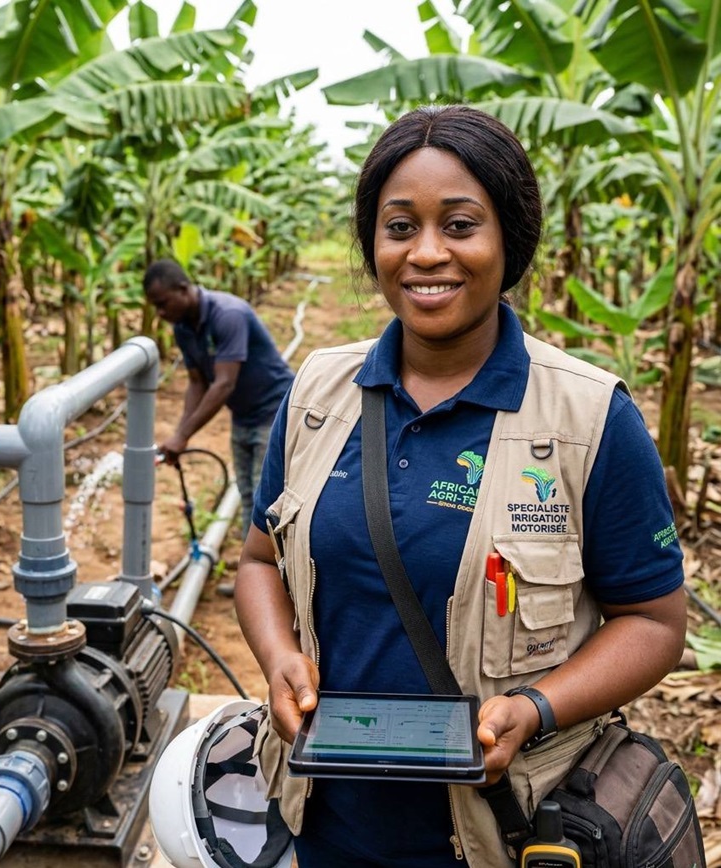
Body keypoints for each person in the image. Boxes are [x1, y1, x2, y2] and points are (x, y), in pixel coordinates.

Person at [233, 105, 686, 867]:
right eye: (400, 227)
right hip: (329, 821)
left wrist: (537, 709)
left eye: (461, 225)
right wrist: (279, 656)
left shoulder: (587, 417)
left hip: (512, 831)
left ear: (510, 239)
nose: (427, 254)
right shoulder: (317, 393)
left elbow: (655, 622)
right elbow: (255, 563)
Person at [143, 260, 295, 562]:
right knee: (249, 495)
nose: (160, 313)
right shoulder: (183, 329)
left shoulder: (228, 314)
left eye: (162, 304)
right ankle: (254, 568)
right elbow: (198, 382)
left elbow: (224, 383)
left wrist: (183, 435)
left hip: (275, 413)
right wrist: (179, 435)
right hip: (243, 416)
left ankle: (279, 578)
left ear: (183, 289)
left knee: (270, 501)